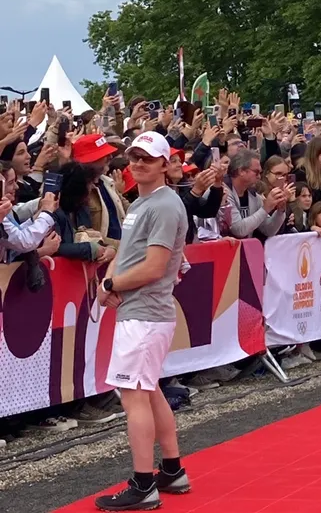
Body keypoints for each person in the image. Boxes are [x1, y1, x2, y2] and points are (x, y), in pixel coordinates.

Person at [94, 132, 190, 511]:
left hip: (145, 313)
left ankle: (143, 483)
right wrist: (111, 281)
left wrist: (110, 283)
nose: (136, 163)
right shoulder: (143, 201)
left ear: (165, 164)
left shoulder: (163, 205)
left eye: (147, 158)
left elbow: (153, 266)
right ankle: (170, 470)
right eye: (133, 157)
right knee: (147, 392)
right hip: (143, 311)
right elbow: (129, 253)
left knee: (134, 396)